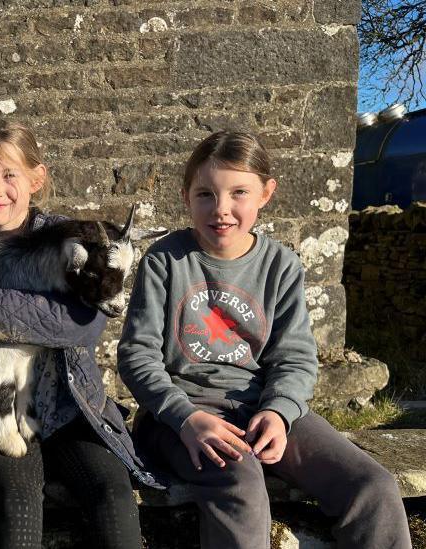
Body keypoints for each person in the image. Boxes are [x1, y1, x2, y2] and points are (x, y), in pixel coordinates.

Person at [117, 130, 412, 548]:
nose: (221, 209)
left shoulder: (281, 265)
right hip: (182, 417)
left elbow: (294, 357)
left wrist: (279, 411)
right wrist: (185, 417)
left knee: (373, 486)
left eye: (239, 192)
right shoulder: (166, 260)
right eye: (205, 194)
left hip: (262, 408)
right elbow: (137, 356)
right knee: (241, 485)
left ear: (265, 193)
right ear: (186, 197)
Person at [0, 117, 159, 548]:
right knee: (17, 503)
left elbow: (83, 322)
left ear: (37, 178)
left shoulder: (78, 241)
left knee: (112, 494)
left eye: (8, 175)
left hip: (72, 410)